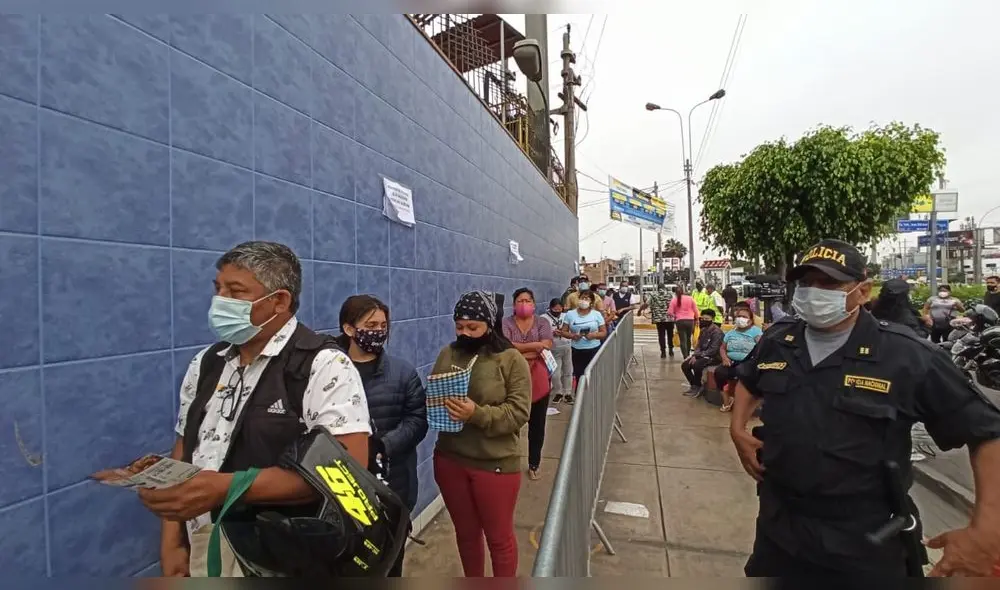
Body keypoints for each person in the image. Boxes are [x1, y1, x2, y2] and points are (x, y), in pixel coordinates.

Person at [730, 239, 1000, 577]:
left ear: (862, 291)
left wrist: (986, 530)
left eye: (829, 283)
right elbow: (749, 380)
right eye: (806, 283)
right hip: (780, 530)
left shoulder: (907, 356)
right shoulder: (779, 341)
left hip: (865, 542)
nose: (814, 293)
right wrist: (737, 429)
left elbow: (988, 432)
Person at [143, 241, 371, 577]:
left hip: (282, 556)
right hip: (204, 548)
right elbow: (184, 450)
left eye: (236, 292)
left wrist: (226, 488)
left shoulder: (323, 365)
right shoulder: (207, 363)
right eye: (218, 289)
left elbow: (347, 473)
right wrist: (172, 539)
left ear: (279, 301)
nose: (220, 301)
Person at [432, 291, 531, 578]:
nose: (464, 333)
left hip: (494, 464)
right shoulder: (449, 353)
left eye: (472, 328)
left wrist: (477, 414)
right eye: (459, 326)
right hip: (450, 458)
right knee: (466, 534)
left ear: (489, 324)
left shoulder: (510, 360)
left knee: (499, 540)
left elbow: (518, 413)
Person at [336, 295, 427, 577]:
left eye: (383, 325)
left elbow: (417, 421)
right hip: (340, 492)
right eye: (370, 324)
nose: (378, 331)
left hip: (393, 489)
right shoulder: (327, 371)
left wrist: (382, 446)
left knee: (389, 564)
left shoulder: (403, 373)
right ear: (349, 329)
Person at [502, 288, 554, 481]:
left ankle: (534, 463)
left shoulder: (542, 322)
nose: (524, 303)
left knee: (537, 425)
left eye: (528, 300)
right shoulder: (505, 323)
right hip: (511, 379)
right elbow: (506, 347)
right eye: (520, 300)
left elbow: (547, 344)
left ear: (533, 303)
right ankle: (509, 461)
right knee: (510, 423)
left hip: (538, 380)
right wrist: (536, 347)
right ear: (514, 304)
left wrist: (521, 351)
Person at [557, 290, 608, 404]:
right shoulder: (570, 314)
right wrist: (572, 336)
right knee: (579, 374)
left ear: (591, 302)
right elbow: (563, 331)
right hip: (577, 350)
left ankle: (594, 397)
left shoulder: (596, 315)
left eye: (587, 299)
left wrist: (594, 335)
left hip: (593, 349)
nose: (583, 301)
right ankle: (580, 399)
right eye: (582, 298)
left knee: (593, 374)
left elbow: (603, 332)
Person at [715, 303, 762, 412]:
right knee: (719, 372)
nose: (741, 319)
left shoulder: (756, 332)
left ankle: (746, 405)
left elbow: (761, 348)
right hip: (731, 362)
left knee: (745, 375)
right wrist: (725, 358)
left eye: (744, 317)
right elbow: (722, 348)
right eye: (739, 316)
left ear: (750, 320)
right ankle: (727, 401)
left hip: (748, 363)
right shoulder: (731, 333)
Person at [680, 308, 724, 397]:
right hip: (702, 355)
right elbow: (699, 345)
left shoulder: (717, 332)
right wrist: (695, 355)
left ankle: (698, 386)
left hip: (714, 356)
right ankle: (694, 385)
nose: (704, 321)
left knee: (697, 365)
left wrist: (699, 356)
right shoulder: (703, 330)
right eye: (702, 319)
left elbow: (713, 349)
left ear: (713, 319)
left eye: (707, 319)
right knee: (685, 365)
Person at [541, 298, 573, 404]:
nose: (558, 311)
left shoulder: (566, 316)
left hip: (567, 346)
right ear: (550, 308)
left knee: (568, 371)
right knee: (555, 373)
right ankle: (558, 391)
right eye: (555, 309)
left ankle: (567, 393)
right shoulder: (544, 318)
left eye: (560, 309)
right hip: (553, 349)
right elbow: (541, 333)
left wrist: (564, 333)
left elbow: (571, 329)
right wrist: (551, 334)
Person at [646, 284, 675, 358]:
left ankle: (663, 352)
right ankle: (671, 350)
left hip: (659, 319)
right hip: (670, 318)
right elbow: (675, 304)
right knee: (670, 334)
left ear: (658, 288)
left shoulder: (653, 295)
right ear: (665, 288)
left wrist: (640, 310)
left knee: (661, 335)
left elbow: (647, 304)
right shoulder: (670, 294)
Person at [669, 285, 699, 357]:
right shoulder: (690, 298)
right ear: (683, 291)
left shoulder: (674, 300)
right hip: (690, 321)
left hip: (680, 321)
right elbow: (696, 310)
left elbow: (670, 312)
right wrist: (697, 319)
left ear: (675, 293)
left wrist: (676, 316)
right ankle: (688, 354)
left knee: (683, 340)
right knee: (688, 338)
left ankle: (685, 356)